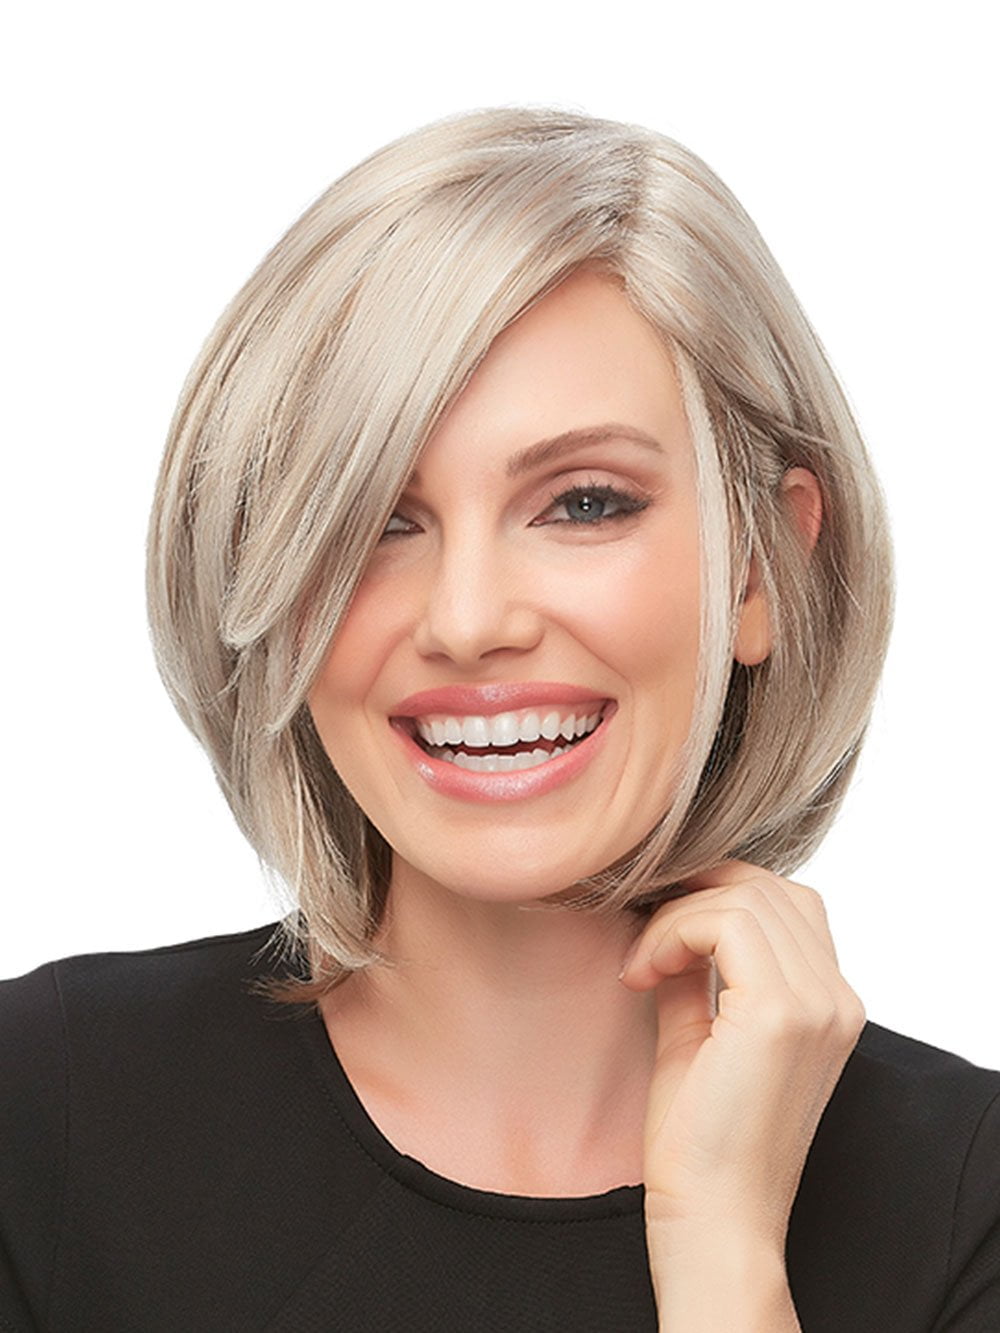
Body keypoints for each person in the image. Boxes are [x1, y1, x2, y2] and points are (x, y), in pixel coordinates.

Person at [2, 106, 998, 1332]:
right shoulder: (38, 1113)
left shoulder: (966, 1200)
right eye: (376, 519)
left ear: (760, 572)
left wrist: (725, 1253)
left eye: (583, 502)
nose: (468, 619)